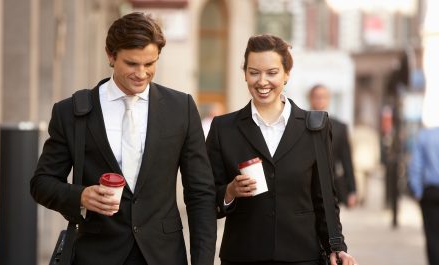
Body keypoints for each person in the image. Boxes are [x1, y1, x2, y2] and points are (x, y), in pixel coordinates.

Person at [30, 12, 217, 265]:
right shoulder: (72, 111)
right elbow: (42, 183)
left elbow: (200, 193)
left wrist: (202, 261)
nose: (142, 73)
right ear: (110, 55)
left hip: (163, 256)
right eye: (132, 64)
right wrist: (81, 196)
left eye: (150, 64)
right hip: (96, 255)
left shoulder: (180, 108)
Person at [205, 34, 357, 265]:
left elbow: (324, 197)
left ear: (286, 74)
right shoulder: (223, 129)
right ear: (244, 73)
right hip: (243, 256)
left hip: (303, 256)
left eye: (272, 73)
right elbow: (205, 199)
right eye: (254, 72)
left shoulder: (314, 127)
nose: (262, 81)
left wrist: (337, 247)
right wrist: (229, 192)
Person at [408, 98, 439, 265]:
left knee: (434, 238)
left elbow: (416, 166)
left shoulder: (426, 136)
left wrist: (417, 191)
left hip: (433, 193)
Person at [308, 84, 358, 208]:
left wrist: (352, 190)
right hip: (307, 185)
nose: (319, 100)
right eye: (316, 97)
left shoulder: (340, 127)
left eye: (323, 97)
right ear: (310, 99)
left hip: (332, 186)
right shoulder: (299, 125)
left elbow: (347, 160)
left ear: (329, 99)